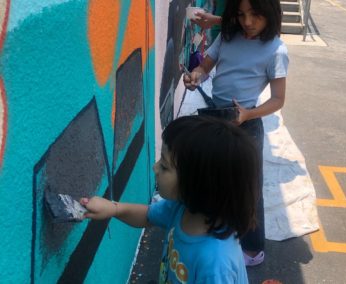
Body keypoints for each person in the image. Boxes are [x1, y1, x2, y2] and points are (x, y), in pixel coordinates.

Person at [80, 115, 260, 283]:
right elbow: (147, 215)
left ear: (199, 184)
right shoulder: (181, 208)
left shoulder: (215, 263)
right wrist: (113, 209)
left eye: (164, 166)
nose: (155, 167)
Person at [183, 0, 288, 266]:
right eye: (241, 15)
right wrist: (196, 75)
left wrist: (248, 115)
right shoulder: (228, 37)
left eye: (256, 15)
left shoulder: (276, 50)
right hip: (217, 116)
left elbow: (278, 100)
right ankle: (216, 232)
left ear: (271, 14)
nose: (248, 22)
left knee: (248, 188)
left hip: (247, 122)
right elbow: (205, 66)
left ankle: (252, 250)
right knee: (213, 177)